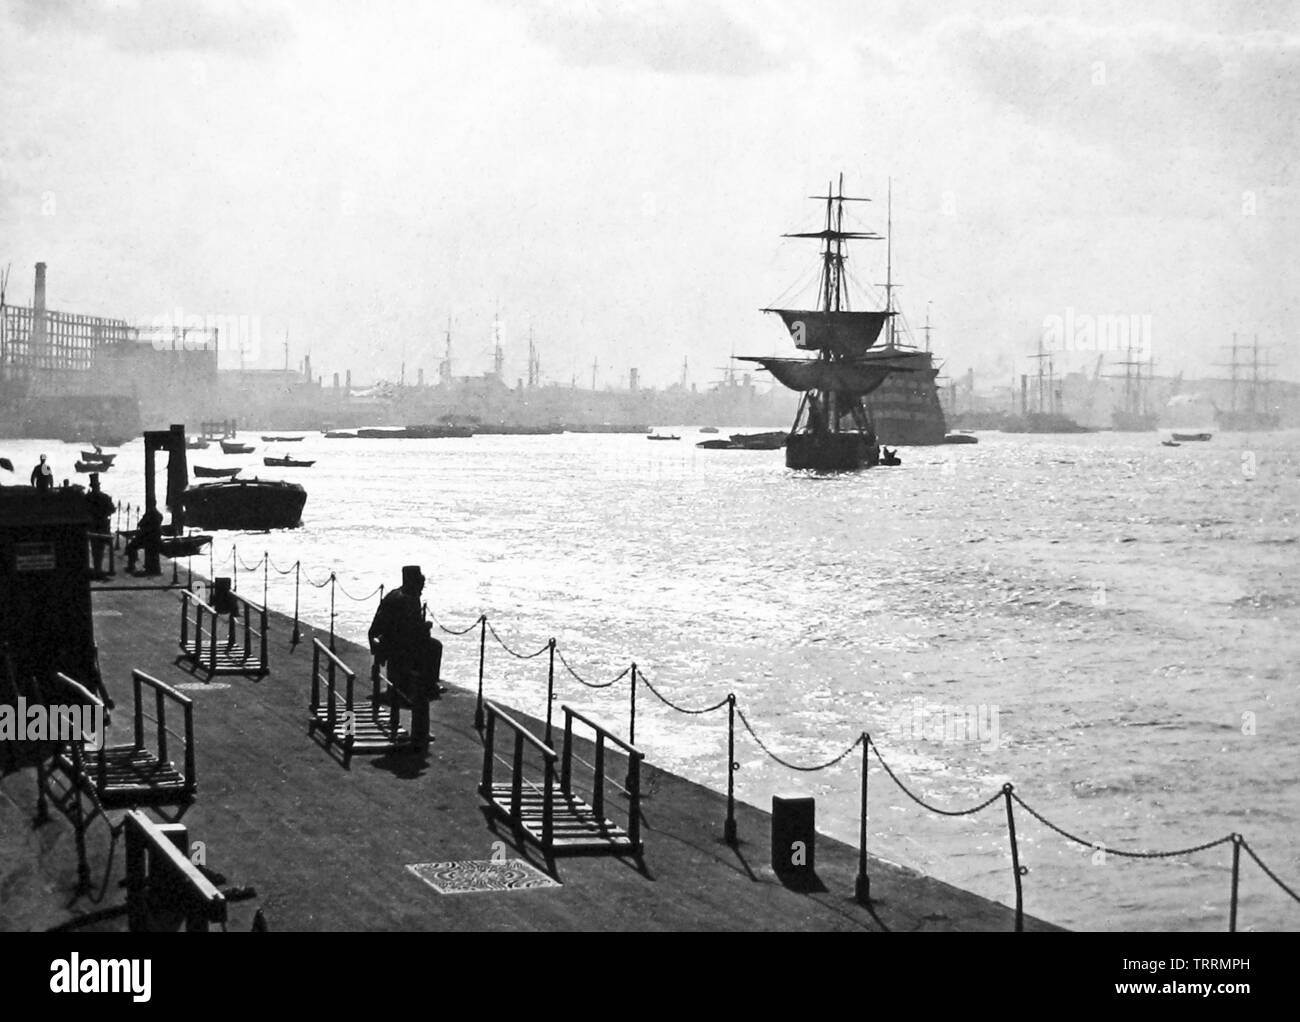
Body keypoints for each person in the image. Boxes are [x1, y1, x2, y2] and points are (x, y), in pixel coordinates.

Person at [368, 565, 443, 749]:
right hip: (399, 647)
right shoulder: (405, 600)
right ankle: (429, 683)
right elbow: (408, 631)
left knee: (432, 647)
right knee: (433, 649)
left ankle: (428, 683)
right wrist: (425, 626)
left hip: (393, 643)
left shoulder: (399, 595)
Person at [85, 474, 116, 578]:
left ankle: (97, 568)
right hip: (103, 524)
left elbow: (83, 510)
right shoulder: (105, 497)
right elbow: (112, 510)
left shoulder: (87, 498)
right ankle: (98, 568)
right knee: (100, 548)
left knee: (94, 548)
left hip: (93, 525)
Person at [124, 505, 163, 574]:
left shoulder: (150, 514)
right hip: (150, 537)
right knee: (132, 547)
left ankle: (131, 566)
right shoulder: (158, 515)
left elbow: (141, 524)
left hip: (147, 537)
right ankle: (133, 564)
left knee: (131, 547)